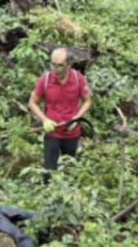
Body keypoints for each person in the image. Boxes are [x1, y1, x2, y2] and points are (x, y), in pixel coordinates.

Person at [28, 48, 92, 181]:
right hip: (52, 133)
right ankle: (48, 199)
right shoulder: (45, 80)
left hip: (72, 133)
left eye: (60, 66)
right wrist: (44, 120)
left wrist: (77, 118)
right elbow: (32, 103)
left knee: (69, 172)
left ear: (68, 65)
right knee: (48, 172)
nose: (55, 69)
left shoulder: (78, 79)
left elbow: (87, 101)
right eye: (53, 64)